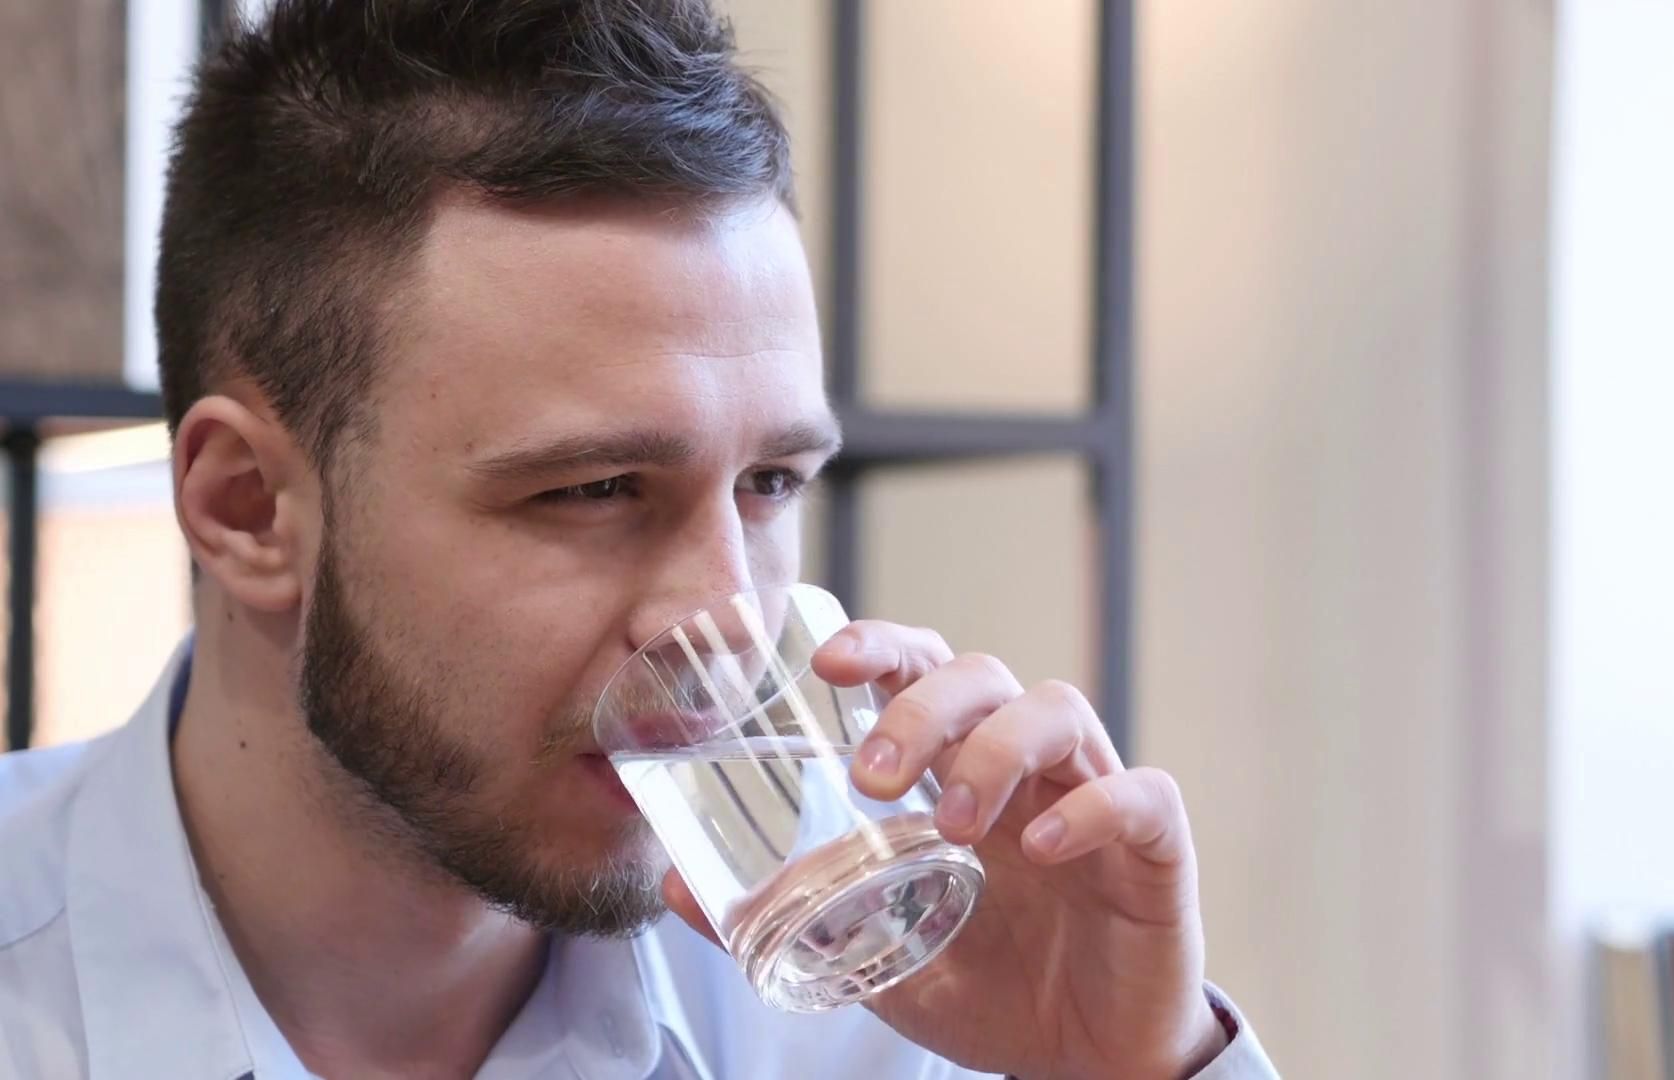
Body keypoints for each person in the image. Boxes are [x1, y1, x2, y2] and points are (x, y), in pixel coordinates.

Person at [0, 2, 1280, 1077]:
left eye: (770, 483)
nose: (731, 622)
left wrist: (1134, 1066)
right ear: (247, 509)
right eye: (596, 489)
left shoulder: (892, 1007)